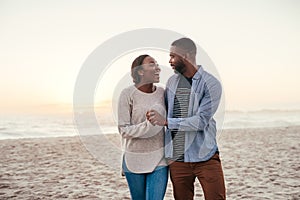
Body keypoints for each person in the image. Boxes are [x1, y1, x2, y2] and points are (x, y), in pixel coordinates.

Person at [147, 38, 226, 200]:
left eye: (172, 56)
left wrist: (168, 122)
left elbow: (201, 121)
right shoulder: (171, 82)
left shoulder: (211, 84)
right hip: (178, 159)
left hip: (205, 156)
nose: (170, 61)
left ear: (187, 56)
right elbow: (166, 110)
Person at [118, 54, 168, 200]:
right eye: (152, 64)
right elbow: (123, 130)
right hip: (134, 158)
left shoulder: (162, 93)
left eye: (157, 64)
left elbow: (170, 119)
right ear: (140, 71)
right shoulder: (127, 94)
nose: (158, 67)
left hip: (159, 158)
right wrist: (148, 125)